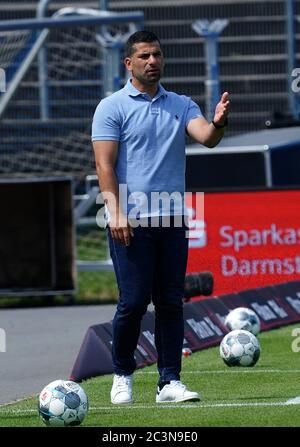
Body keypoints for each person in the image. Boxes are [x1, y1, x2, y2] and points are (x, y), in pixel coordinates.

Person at [92, 30, 229, 404]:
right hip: (129, 222)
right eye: (145, 56)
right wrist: (115, 210)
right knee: (133, 302)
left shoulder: (181, 104)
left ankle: (169, 381)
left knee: (169, 301)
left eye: (157, 55)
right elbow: (104, 165)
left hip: (171, 220)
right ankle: (122, 373)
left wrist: (217, 122)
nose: (153, 62)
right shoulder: (112, 107)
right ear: (129, 63)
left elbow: (207, 137)